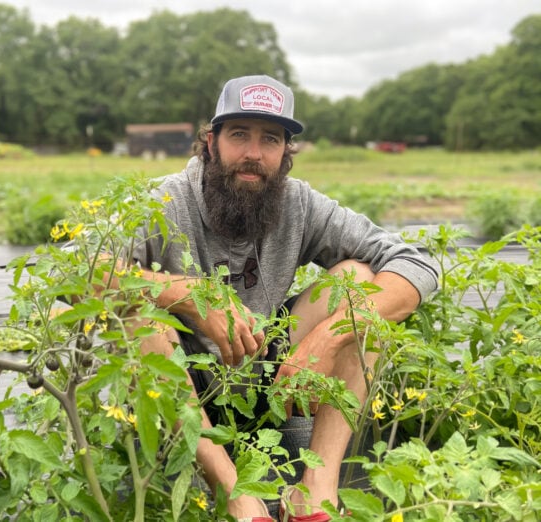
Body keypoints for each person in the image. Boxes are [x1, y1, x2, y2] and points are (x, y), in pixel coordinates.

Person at [128, 75, 439, 521]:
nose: (253, 154)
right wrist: (184, 293)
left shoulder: (299, 204)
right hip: (182, 386)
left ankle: (315, 492)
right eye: (239, 135)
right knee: (138, 313)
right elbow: (77, 271)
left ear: (285, 152)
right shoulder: (163, 199)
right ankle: (232, 488)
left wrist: (327, 339)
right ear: (211, 142)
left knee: (356, 281)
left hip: (267, 380)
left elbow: (417, 265)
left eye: (270, 139)